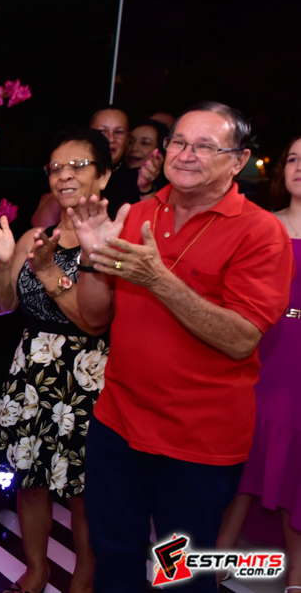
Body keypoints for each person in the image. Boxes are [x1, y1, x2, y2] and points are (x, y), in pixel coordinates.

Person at [70, 102, 295, 592]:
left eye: (205, 146)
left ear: (238, 160)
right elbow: (95, 317)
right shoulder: (138, 213)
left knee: (182, 578)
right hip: (118, 425)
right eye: (179, 142)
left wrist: (158, 279)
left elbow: (241, 339)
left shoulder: (261, 232)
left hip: (198, 442)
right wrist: (91, 256)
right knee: (113, 558)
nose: (186, 154)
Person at [0, 127, 113, 593]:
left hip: (87, 376)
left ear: (104, 176)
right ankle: (37, 571)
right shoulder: (36, 236)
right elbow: (1, 305)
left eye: (78, 166)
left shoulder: (110, 241)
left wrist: (51, 273)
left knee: (82, 492)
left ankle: (84, 582)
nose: (64, 175)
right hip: (32, 371)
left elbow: (95, 321)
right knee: (30, 479)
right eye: (56, 168)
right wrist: (2, 262)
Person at [216, 135, 301, 589]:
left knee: (295, 471)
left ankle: (297, 578)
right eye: (293, 159)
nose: (299, 167)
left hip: (298, 366)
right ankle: (210, 566)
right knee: (243, 462)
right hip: (259, 354)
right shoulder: (262, 225)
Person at [31, 109, 159, 227]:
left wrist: (146, 187)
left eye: (119, 132)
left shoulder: (135, 177)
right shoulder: (62, 173)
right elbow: (41, 225)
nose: (110, 139)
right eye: (102, 131)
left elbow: (152, 227)